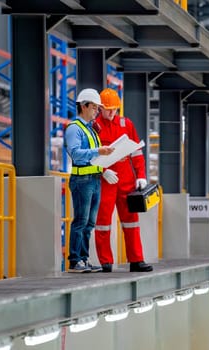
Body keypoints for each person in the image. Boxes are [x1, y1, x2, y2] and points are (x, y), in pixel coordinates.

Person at [93, 88, 153, 273]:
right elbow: (91, 155)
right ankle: (105, 262)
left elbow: (136, 152)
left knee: (131, 221)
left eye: (115, 109)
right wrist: (102, 171)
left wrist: (141, 175)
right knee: (103, 221)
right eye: (108, 109)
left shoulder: (126, 124)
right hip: (106, 180)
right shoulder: (94, 127)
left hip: (126, 178)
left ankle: (136, 260)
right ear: (100, 108)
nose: (112, 113)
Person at [65, 88, 114, 273]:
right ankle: (74, 260)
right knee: (81, 221)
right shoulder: (74, 129)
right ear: (83, 106)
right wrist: (99, 152)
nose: (96, 111)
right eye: (94, 107)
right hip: (82, 180)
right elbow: (76, 154)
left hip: (94, 179)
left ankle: (83, 259)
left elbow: (94, 157)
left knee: (89, 223)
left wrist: (108, 160)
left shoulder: (90, 129)